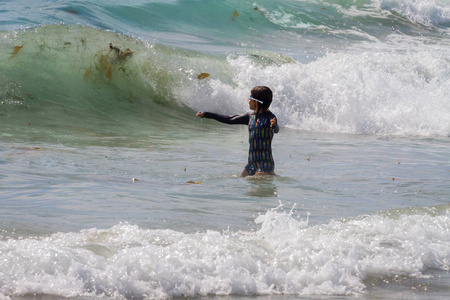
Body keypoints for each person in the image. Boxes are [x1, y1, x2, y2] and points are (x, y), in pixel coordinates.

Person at [196, 86, 279, 177]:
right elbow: (230, 119)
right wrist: (207, 114)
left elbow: (276, 129)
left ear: (256, 102)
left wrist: (274, 125)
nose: (248, 100)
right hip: (251, 163)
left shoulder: (269, 117)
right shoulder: (250, 116)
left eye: (250, 98)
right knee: (241, 182)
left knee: (258, 188)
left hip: (265, 164)